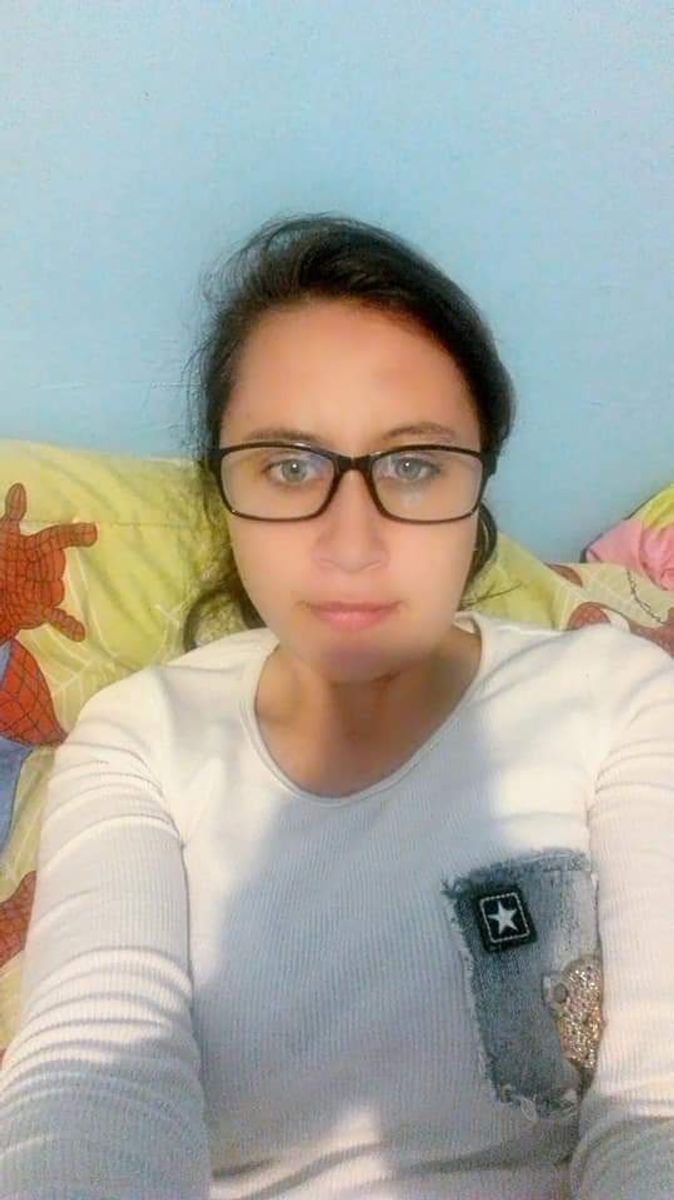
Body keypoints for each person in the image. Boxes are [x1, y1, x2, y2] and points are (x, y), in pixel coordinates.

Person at [0, 214, 673, 1200]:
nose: (350, 545)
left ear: (479, 482)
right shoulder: (141, 738)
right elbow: (94, 1079)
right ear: (222, 491)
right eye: (289, 467)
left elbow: (657, 1102)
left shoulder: (616, 699)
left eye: (413, 465)